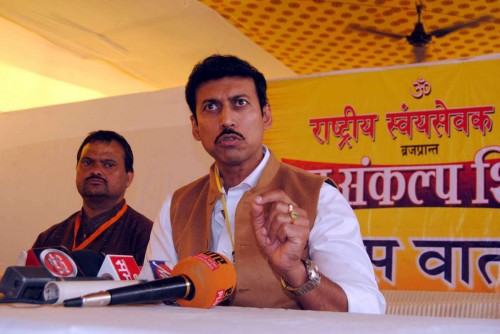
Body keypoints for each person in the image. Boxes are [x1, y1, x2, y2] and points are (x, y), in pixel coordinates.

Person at [142, 55, 385, 313]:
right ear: (195, 127)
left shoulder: (318, 196)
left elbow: (367, 307)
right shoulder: (177, 205)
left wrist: (295, 270)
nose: (227, 120)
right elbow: (153, 300)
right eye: (211, 107)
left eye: (240, 103)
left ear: (265, 115)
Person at [32, 130, 153, 265]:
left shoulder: (147, 236)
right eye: (88, 163)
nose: (95, 170)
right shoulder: (49, 238)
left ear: (129, 178)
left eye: (108, 164)